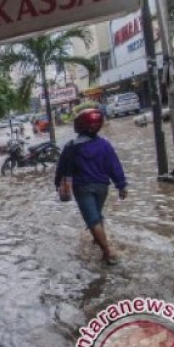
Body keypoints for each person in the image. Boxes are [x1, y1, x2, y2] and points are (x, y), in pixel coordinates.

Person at [55, 108, 127, 266]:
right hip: (103, 187)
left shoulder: (71, 146)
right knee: (96, 215)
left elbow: (61, 168)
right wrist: (121, 185)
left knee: (93, 219)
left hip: (83, 188)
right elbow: (114, 165)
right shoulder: (104, 145)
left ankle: (107, 252)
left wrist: (57, 185)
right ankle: (98, 240)